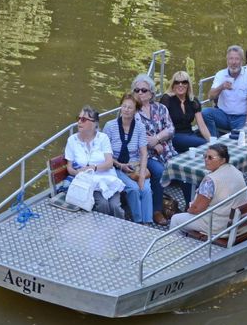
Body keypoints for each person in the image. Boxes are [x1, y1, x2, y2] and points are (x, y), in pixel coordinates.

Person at [169, 144, 247, 237]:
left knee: (175, 219)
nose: (206, 160)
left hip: (217, 225)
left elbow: (196, 209)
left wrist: (189, 209)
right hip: (238, 220)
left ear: (222, 160)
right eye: (205, 156)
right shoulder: (235, 171)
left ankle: (173, 247)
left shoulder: (210, 181)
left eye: (210, 157)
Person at [63, 105, 126, 218]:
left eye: (83, 119)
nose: (79, 122)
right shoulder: (72, 140)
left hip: (108, 179)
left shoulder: (103, 138)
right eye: (78, 118)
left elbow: (109, 163)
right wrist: (80, 174)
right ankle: (104, 231)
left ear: (94, 124)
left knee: (115, 206)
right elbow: (69, 167)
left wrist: (93, 167)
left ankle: (118, 231)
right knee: (102, 204)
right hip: (88, 182)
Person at [132, 73, 176, 226]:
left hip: (165, 150)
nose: (139, 93)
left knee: (183, 166)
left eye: (143, 90)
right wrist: (152, 142)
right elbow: (139, 136)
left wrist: (157, 139)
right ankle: (156, 210)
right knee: (158, 171)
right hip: (144, 155)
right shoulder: (132, 111)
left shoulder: (161, 108)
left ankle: (191, 205)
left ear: (151, 93)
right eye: (136, 90)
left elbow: (171, 128)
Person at [103, 93, 153, 224]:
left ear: (136, 110)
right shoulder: (110, 126)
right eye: (124, 106)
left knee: (146, 189)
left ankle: (147, 222)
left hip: (134, 164)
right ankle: (138, 221)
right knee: (134, 189)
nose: (126, 110)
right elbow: (104, 153)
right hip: (116, 165)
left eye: (130, 107)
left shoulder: (140, 127)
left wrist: (142, 175)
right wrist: (119, 165)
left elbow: (143, 153)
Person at [204, 45, 247, 135]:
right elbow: (210, 96)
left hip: (241, 117)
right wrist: (221, 87)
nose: (233, 62)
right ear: (227, 61)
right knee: (205, 113)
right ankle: (214, 140)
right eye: (231, 59)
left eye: (237, 59)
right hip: (223, 115)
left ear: (241, 61)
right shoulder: (220, 75)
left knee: (239, 137)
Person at [161, 70, 214, 153]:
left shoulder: (193, 100)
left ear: (188, 84)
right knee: (203, 144)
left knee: (208, 145)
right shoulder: (167, 99)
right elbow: (160, 123)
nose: (180, 85)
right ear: (173, 85)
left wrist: (212, 142)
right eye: (177, 82)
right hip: (174, 136)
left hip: (189, 134)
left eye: (184, 82)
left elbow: (202, 125)